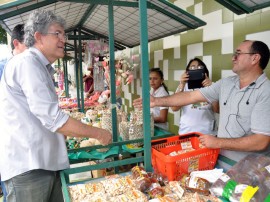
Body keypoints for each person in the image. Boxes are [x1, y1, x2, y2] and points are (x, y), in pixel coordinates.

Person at [0, 10, 112, 202]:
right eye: (57, 34)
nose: (63, 39)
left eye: (64, 34)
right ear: (38, 37)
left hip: (43, 163)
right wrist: (98, 133)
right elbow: (54, 118)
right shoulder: (27, 63)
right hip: (29, 166)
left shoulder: (39, 66)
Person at [134, 40, 270, 170]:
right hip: (220, 159)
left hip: (249, 168)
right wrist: (157, 101)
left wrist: (218, 142)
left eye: (238, 53)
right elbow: (190, 96)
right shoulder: (226, 83)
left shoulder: (266, 91)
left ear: (255, 58)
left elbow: (261, 141)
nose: (233, 58)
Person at [0, 23, 27, 202]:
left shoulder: (27, 67)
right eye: (30, 43)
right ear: (16, 44)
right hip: (14, 149)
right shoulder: (5, 68)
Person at [171, 58, 219, 135]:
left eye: (200, 67)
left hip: (208, 133)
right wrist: (182, 84)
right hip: (187, 132)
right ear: (187, 72)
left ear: (205, 72)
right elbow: (174, 108)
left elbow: (217, 109)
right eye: (192, 67)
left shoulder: (212, 86)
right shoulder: (184, 86)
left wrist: (211, 88)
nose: (196, 69)